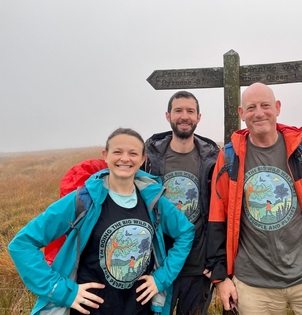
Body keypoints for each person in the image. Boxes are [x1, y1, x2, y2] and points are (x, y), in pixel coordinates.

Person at [8, 127, 195, 315]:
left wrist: (161, 278)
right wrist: (64, 292)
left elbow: (185, 232)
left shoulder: (153, 201)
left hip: (140, 309)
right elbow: (22, 244)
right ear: (105, 156)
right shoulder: (82, 201)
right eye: (117, 152)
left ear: (142, 159)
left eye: (133, 153)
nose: (125, 158)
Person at [205, 83, 302, 315]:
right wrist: (220, 276)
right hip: (252, 285)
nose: (259, 113)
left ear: (277, 108)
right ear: (242, 114)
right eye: (251, 107)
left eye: (265, 105)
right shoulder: (230, 157)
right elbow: (217, 217)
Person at [143, 91, 220, 315]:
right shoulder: (149, 159)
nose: (184, 116)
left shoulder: (213, 159)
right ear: (168, 116)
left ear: (199, 117)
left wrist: (216, 260)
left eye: (190, 111)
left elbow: (221, 211)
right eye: (178, 111)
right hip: (159, 263)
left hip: (198, 266)